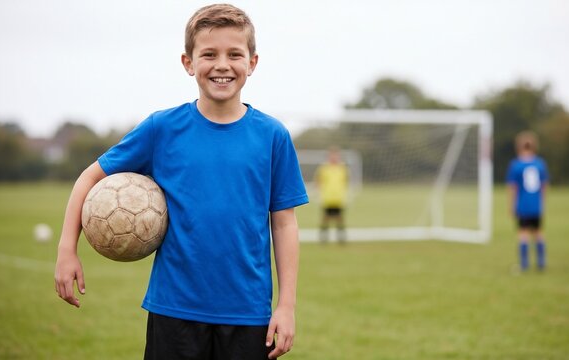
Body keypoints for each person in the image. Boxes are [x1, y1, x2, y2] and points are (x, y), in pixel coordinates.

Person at [54, 4, 308, 359]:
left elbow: (283, 225)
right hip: (174, 311)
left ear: (252, 63)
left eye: (235, 54)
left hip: (249, 313)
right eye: (209, 54)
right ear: (189, 63)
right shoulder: (162, 129)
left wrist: (287, 306)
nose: (222, 64)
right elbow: (89, 177)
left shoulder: (273, 136)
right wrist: (67, 249)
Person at [506, 131, 549, 271]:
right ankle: (541, 263)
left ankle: (524, 264)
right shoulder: (540, 163)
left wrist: (511, 205)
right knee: (538, 232)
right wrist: (542, 203)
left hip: (523, 204)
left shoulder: (516, 165)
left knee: (523, 233)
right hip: (536, 205)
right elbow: (544, 186)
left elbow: (513, 188)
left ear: (519, 146)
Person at [314, 147, 349, 244]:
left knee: (340, 218)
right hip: (327, 198)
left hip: (338, 198)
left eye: (336, 156)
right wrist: (318, 192)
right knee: (325, 218)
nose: (334, 158)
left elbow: (345, 181)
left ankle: (341, 238)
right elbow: (319, 181)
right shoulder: (324, 168)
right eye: (332, 156)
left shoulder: (342, 168)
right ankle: (323, 238)